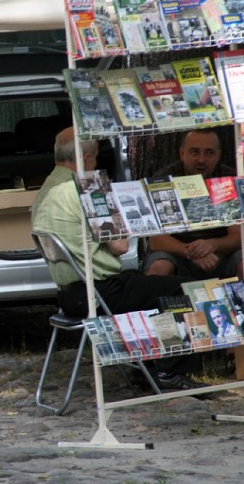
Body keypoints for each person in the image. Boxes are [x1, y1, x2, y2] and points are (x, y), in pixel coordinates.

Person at [32, 128, 205, 391]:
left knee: (146, 284)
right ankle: (169, 373)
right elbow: (121, 246)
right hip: (99, 292)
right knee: (181, 288)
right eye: (96, 158)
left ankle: (147, 370)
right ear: (87, 157)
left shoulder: (46, 188)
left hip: (69, 294)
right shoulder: (88, 187)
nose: (96, 163)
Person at [143, 129, 244, 281]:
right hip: (177, 254)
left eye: (209, 153)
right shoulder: (163, 180)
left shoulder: (230, 179)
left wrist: (213, 245)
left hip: (221, 254)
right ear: (182, 153)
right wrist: (191, 252)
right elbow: (157, 241)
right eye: (194, 152)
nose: (201, 160)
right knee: (159, 267)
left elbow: (239, 237)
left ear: (218, 155)